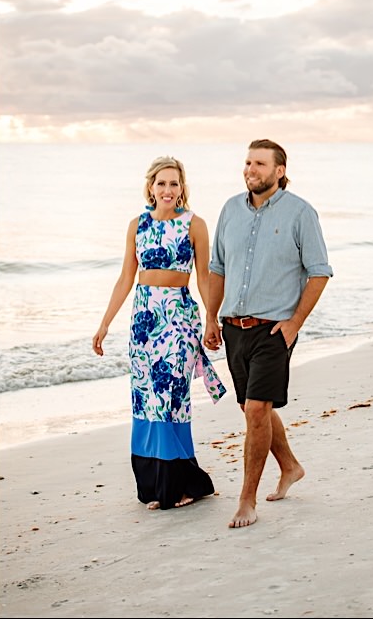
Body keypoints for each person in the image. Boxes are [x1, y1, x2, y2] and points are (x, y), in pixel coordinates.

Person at [204, 139, 331, 529]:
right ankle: (290, 466)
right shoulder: (229, 210)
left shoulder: (300, 213)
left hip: (274, 330)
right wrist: (211, 318)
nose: (250, 170)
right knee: (252, 407)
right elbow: (218, 268)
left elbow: (319, 271)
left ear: (279, 170)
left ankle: (247, 500)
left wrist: (294, 324)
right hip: (233, 328)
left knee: (257, 410)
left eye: (259, 163)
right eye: (247, 162)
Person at [93, 156, 227, 510]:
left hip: (179, 318)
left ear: (182, 187)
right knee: (146, 398)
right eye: (161, 183)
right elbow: (126, 277)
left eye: (174, 183)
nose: (168, 190)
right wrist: (105, 322)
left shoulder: (194, 224)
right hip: (144, 318)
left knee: (170, 398)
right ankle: (156, 486)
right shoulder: (136, 225)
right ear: (150, 187)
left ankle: (179, 485)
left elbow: (204, 278)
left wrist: (212, 318)